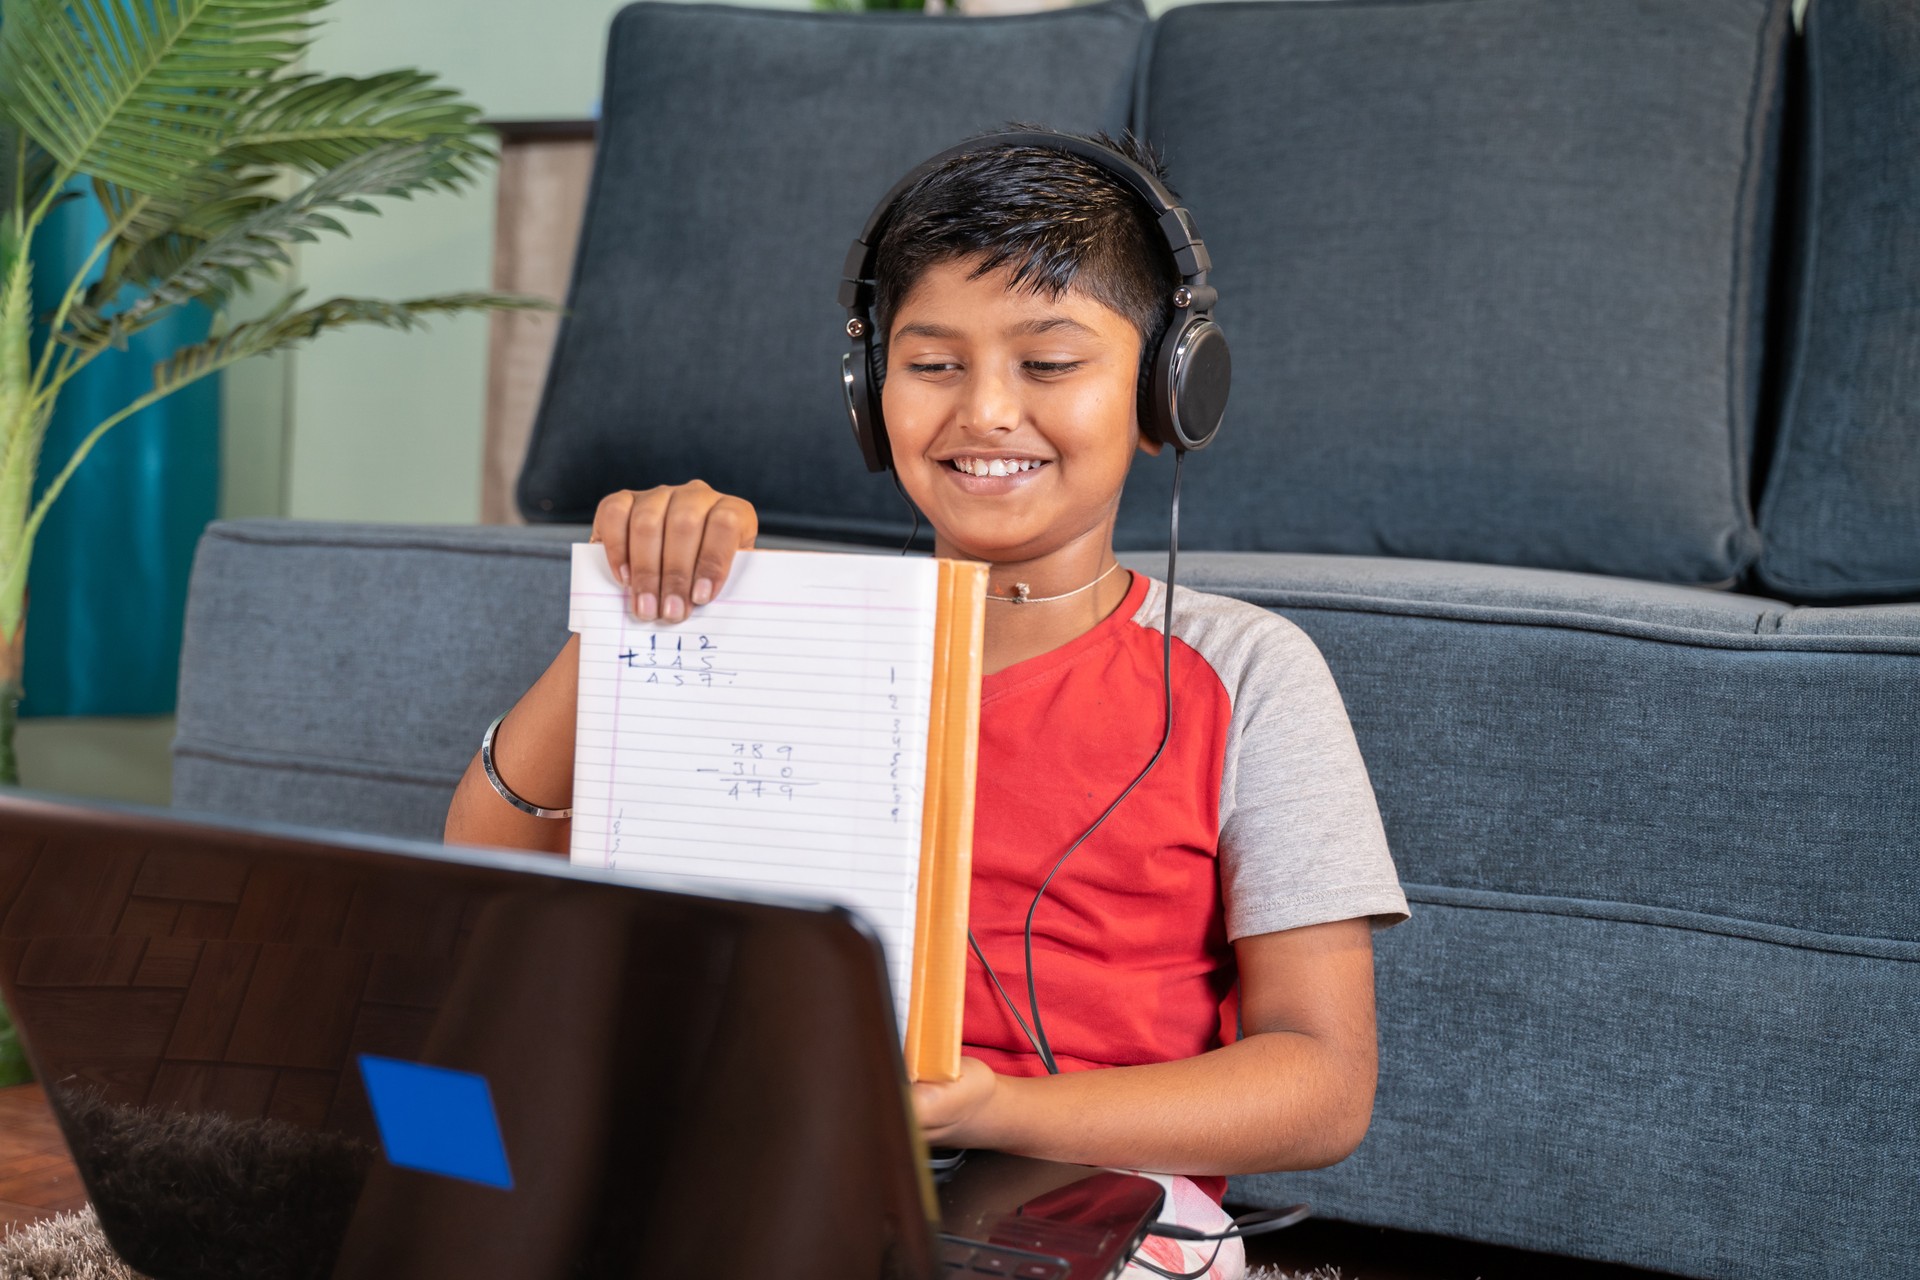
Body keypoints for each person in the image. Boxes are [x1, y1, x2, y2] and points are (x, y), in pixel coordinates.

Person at [445, 131, 1408, 1280]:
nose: (986, 411)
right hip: (765, 1145)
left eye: (1048, 365)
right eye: (933, 363)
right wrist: (625, 614)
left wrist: (998, 1104)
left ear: (1168, 390)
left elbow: (1323, 1085)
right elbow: (486, 864)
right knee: (425, 1168)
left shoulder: (1248, 672)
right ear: (870, 393)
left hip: (1091, 1193)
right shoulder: (773, 626)